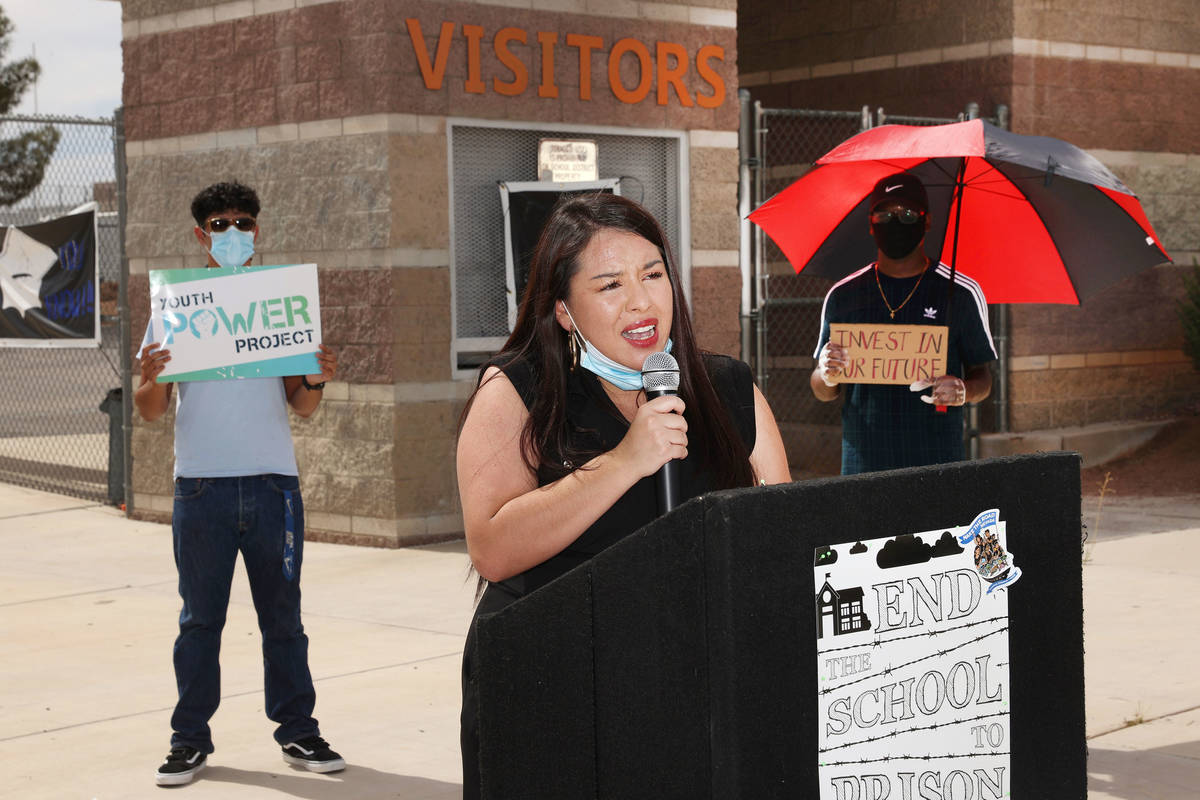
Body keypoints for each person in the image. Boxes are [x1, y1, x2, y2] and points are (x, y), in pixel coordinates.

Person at [456, 193, 790, 798]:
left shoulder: (729, 387)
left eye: (653, 274)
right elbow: (492, 548)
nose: (641, 301)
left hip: (689, 680)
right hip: (552, 682)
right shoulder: (518, 390)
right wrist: (623, 462)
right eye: (609, 285)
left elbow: (777, 534)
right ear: (563, 310)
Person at [135, 182, 344, 786]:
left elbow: (301, 406)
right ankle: (188, 739)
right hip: (201, 488)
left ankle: (299, 733)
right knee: (200, 621)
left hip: (275, 486)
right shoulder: (174, 307)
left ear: (258, 232)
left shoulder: (282, 305)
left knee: (284, 619)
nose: (234, 233)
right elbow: (152, 410)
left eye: (244, 222)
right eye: (221, 223)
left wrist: (319, 378)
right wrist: (149, 378)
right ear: (201, 234)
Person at [810, 171, 997, 474]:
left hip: (938, 460)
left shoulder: (960, 292)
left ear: (927, 222)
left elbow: (983, 377)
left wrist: (964, 390)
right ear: (871, 224)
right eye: (885, 214)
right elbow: (822, 389)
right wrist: (827, 375)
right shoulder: (843, 296)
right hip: (864, 461)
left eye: (908, 214)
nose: (895, 222)